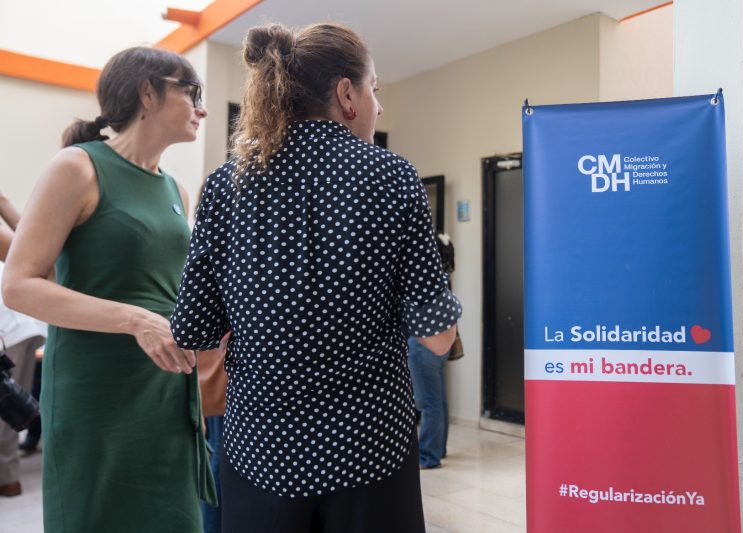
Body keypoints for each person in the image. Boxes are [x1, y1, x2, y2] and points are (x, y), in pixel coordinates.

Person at [170, 22, 462, 533]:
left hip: (263, 452)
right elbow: (439, 338)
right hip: (370, 450)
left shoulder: (224, 186)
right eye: (374, 90)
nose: (378, 107)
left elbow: (193, 331)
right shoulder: (392, 176)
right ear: (347, 94)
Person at [2, 46, 215, 532]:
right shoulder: (76, 167)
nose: (201, 109)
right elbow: (19, 285)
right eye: (192, 92)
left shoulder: (176, 191)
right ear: (147, 93)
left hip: (165, 389)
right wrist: (134, 319)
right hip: (96, 389)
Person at [0, 195, 46, 497]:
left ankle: (8, 478)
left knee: (8, 402)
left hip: (14, 327)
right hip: (17, 325)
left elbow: (31, 255)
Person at [408, 233, 456, 469]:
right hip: (438, 345)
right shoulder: (443, 277)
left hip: (422, 344)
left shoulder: (424, 278)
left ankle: (428, 456)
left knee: (428, 403)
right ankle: (439, 449)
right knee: (438, 400)